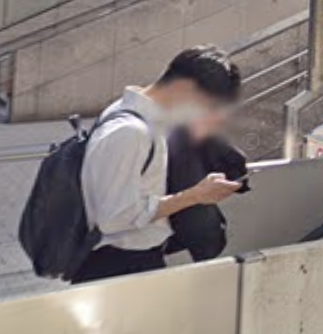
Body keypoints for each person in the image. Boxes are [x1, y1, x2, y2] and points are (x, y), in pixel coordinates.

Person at [75, 46, 243, 283]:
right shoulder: (130, 131)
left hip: (130, 260)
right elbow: (114, 218)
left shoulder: (128, 111)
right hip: (119, 265)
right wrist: (195, 195)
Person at [165, 116, 249, 263]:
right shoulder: (192, 124)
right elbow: (235, 163)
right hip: (195, 228)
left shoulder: (130, 120)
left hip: (144, 233)